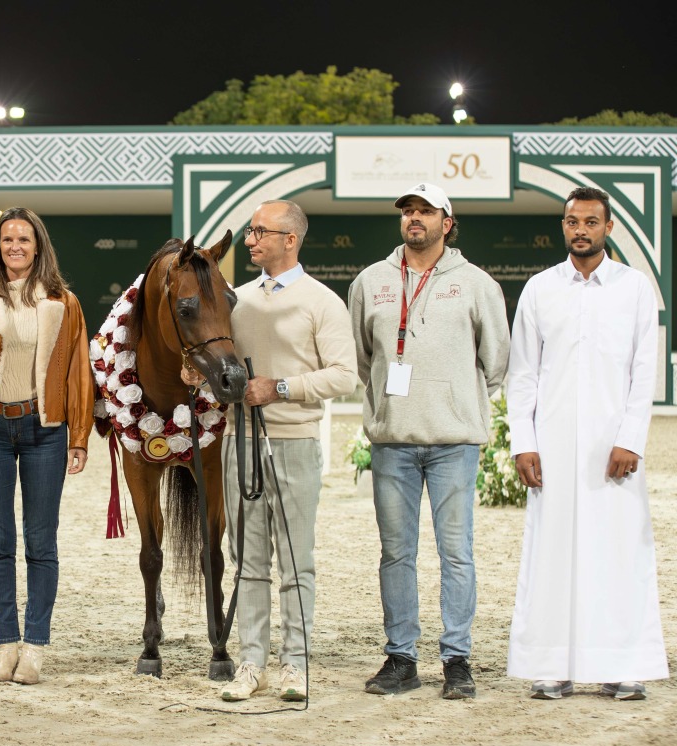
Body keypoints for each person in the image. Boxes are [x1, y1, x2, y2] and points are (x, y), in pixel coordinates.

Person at [348, 182, 510, 700]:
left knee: (456, 553)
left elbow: (496, 362)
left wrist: (453, 399)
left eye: (426, 211)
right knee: (396, 553)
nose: (415, 218)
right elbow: (362, 358)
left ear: (448, 221)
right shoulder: (370, 281)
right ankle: (402, 658)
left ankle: (457, 660)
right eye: (408, 211)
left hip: (454, 442)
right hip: (393, 439)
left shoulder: (478, 283)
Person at [506, 186, 667, 701]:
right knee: (552, 552)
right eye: (573, 221)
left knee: (619, 553)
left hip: (612, 448)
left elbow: (646, 372)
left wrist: (630, 439)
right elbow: (522, 374)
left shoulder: (635, 288)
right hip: (551, 445)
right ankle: (553, 665)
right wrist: (523, 443)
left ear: (608, 227)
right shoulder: (539, 288)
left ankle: (622, 665)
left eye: (591, 222)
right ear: (564, 228)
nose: (581, 230)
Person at [203, 201, 357, 702]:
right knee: (247, 558)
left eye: (259, 232)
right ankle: (252, 662)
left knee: (296, 561)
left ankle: (295, 664)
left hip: (294, 441)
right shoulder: (235, 300)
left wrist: (280, 388)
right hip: (237, 440)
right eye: (249, 231)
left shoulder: (322, 302)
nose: (249, 240)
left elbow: (343, 375)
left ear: (290, 239)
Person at [0, 207, 93, 685]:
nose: (15, 247)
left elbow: (76, 371)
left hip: (43, 429)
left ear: (38, 246)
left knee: (40, 542)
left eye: (24, 240)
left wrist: (78, 436)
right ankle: (5, 645)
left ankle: (35, 646)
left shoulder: (63, 302)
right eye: (7, 239)